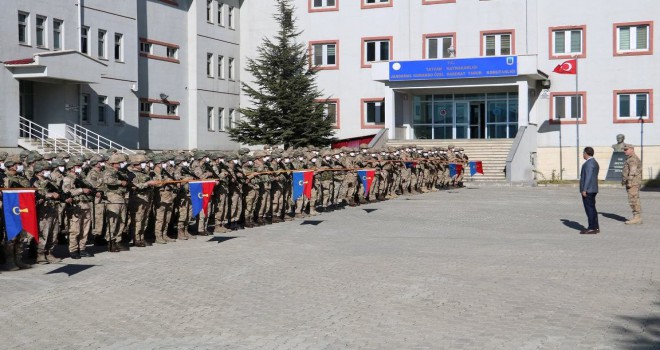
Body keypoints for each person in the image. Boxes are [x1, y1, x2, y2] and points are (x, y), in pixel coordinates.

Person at [579, 147, 600, 234]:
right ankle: (596, 227)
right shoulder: (594, 162)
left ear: (586, 153)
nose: (583, 155)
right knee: (592, 209)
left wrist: (584, 189)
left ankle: (591, 228)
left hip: (589, 190)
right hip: (593, 189)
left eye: (583, 153)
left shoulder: (589, 163)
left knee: (589, 209)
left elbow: (588, 177)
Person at [622, 144, 643, 224]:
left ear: (631, 149)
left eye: (626, 149)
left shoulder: (632, 159)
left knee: (633, 199)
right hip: (634, 182)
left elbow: (632, 171)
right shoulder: (630, 158)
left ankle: (637, 218)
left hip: (633, 183)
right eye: (624, 150)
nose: (624, 151)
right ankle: (637, 217)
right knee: (635, 199)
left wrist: (629, 181)